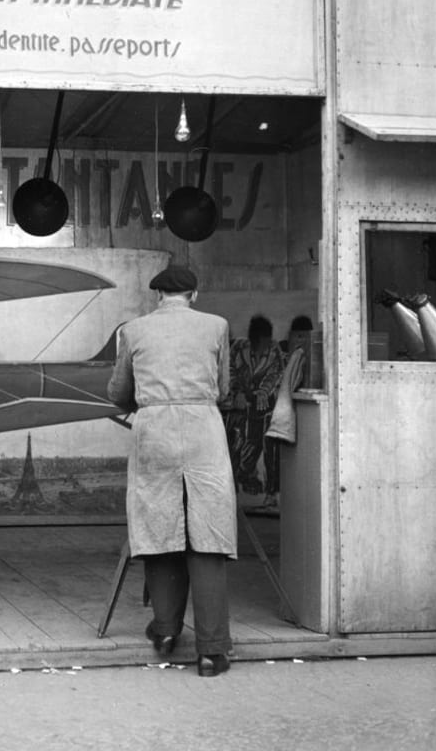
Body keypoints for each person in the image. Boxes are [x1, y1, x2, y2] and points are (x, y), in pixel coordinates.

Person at [107, 264, 236, 677]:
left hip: (154, 432)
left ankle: (164, 631)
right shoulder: (217, 326)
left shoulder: (134, 329)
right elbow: (226, 386)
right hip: (203, 431)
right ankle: (212, 652)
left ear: (157, 296)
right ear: (194, 295)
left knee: (159, 528)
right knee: (208, 536)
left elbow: (118, 392)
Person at [224, 314, 285, 501]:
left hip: (265, 406)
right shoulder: (239, 348)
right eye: (263, 340)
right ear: (255, 339)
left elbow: (276, 373)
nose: (266, 344)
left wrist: (263, 392)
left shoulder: (274, 349)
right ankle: (242, 479)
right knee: (247, 443)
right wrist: (237, 392)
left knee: (268, 447)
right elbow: (230, 371)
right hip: (243, 405)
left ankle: (271, 492)